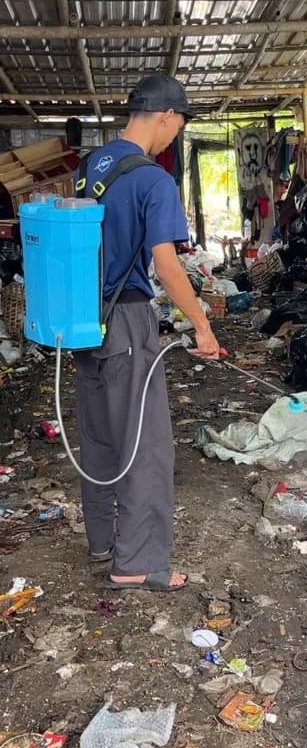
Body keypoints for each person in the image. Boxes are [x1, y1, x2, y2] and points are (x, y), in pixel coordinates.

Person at [74, 74, 219, 593]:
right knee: (145, 442)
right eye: (177, 127)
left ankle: (101, 539)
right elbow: (167, 265)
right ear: (165, 116)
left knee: (100, 435)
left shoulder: (93, 166)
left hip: (85, 320)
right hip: (128, 319)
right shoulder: (153, 179)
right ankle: (135, 561)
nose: (173, 138)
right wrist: (201, 324)